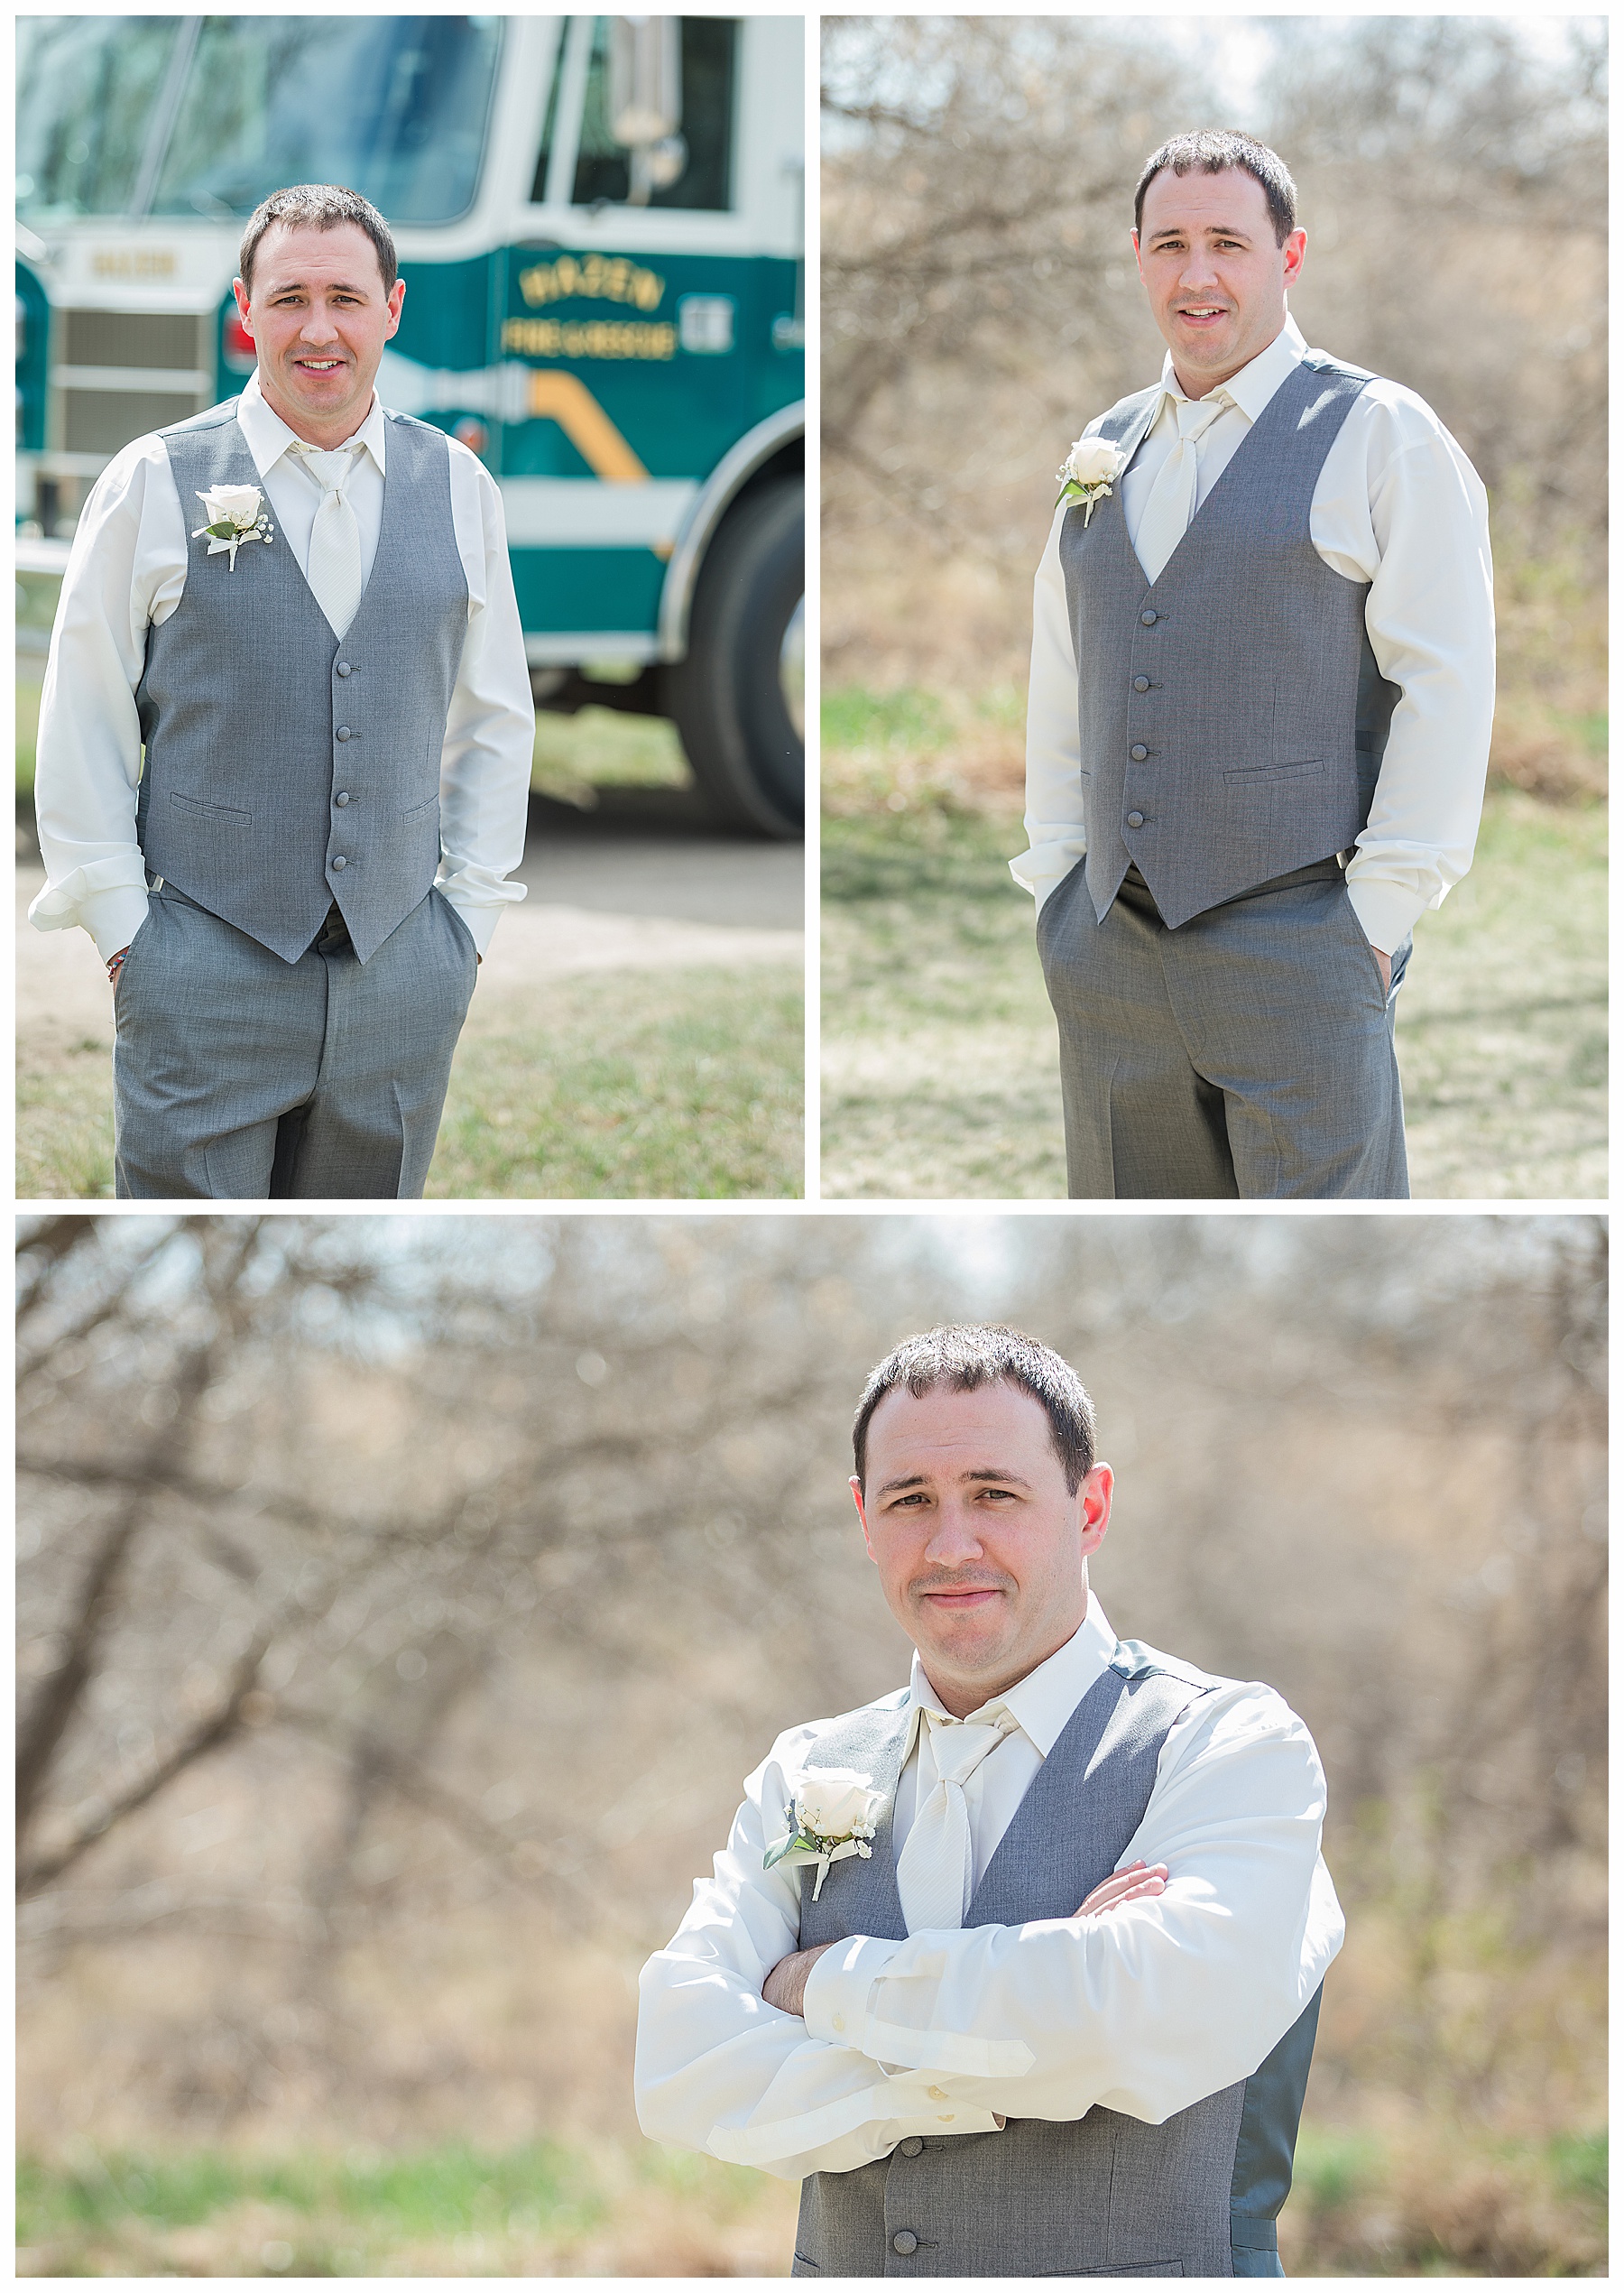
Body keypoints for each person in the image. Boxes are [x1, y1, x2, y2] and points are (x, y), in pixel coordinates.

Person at [636, 1325, 1344, 2278]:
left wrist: (823, 1984)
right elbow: (681, 2065)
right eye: (910, 1500)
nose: (950, 1543)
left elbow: (1143, 2006)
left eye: (994, 1494)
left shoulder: (1227, 1744)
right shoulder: (806, 1767)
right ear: (863, 1518)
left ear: (1089, 1507)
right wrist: (987, 2071)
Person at [1014, 130, 1495, 1198]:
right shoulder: (1108, 441)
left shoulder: (1380, 431)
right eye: (1171, 243)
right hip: (1109, 956)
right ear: (1136, 253)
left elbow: (1447, 684)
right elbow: (1064, 668)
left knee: (1338, 1256)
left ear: (1289, 255)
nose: (1197, 274)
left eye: (1228, 242)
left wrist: (1376, 922)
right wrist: (1056, 881)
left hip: (1305, 942)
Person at [30, 182, 534, 1198]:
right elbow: (81, 713)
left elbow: (493, 719)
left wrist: (464, 927)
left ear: (392, 308)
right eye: (290, 297)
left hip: (403, 974)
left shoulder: (460, 486)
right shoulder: (153, 479)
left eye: (345, 298)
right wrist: (130, 936)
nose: (318, 330)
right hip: (201, 970)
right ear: (243, 310)